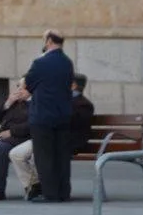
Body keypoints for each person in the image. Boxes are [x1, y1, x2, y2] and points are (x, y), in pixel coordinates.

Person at [11, 73, 94, 201]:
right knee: (16, 154)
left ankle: (45, 188)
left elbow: (70, 123)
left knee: (37, 156)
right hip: (46, 138)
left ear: (73, 85)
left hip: (66, 141)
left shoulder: (83, 104)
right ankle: (32, 186)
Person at [23, 29, 75, 203]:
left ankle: (51, 193)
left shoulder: (40, 63)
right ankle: (63, 192)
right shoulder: (67, 63)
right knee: (61, 156)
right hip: (63, 116)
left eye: (45, 39)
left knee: (44, 157)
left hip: (42, 116)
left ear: (50, 41)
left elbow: (28, 84)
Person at [0, 77, 31, 201]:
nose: (19, 90)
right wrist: (7, 104)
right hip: (3, 136)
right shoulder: (15, 103)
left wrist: (11, 131)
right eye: (18, 86)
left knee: (0, 150)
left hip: (20, 138)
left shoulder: (34, 104)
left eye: (23, 88)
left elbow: (31, 125)